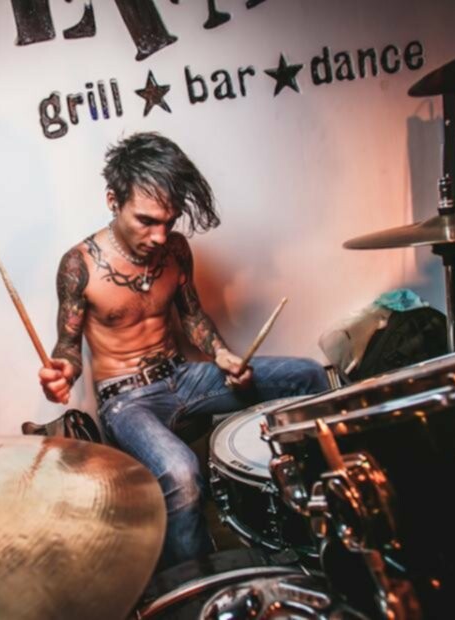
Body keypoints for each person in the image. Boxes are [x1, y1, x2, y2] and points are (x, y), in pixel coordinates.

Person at [39, 132, 328, 568]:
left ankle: (319, 520)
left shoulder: (176, 249)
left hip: (184, 377)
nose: (160, 236)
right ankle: (192, 586)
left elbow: (193, 317)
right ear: (113, 200)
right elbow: (68, 345)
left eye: (169, 222)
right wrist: (61, 372)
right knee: (181, 472)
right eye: (146, 220)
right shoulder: (79, 264)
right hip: (127, 399)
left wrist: (223, 356)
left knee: (307, 375)